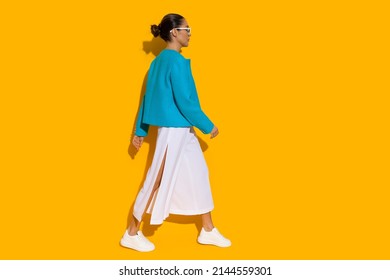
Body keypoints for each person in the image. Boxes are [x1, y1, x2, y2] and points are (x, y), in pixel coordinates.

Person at [120, 13, 231, 252]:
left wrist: (140, 130)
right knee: (156, 178)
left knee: (199, 174)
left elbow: (147, 98)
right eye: (187, 29)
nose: (190, 33)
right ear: (174, 32)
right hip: (175, 130)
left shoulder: (157, 62)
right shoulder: (176, 62)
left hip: (181, 130)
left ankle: (208, 229)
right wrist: (207, 125)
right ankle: (131, 232)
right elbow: (185, 101)